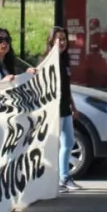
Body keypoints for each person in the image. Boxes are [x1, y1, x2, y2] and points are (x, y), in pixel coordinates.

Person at [34, 27, 80, 192]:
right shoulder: (45, 60)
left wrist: (73, 106)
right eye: (58, 39)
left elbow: (66, 87)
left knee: (68, 142)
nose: (61, 42)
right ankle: (51, 179)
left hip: (65, 108)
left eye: (64, 39)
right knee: (52, 144)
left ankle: (64, 177)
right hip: (53, 110)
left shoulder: (64, 60)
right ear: (51, 41)